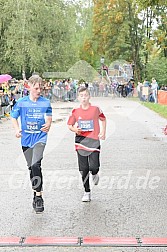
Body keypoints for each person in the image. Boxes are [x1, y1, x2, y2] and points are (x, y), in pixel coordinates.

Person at [11, 75, 52, 213]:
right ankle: (36, 192)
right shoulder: (22, 102)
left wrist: (48, 125)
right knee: (31, 168)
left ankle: (39, 196)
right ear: (29, 87)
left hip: (40, 138)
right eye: (36, 88)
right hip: (26, 139)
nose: (39, 90)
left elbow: (49, 117)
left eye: (41, 87)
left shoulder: (45, 102)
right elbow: (13, 117)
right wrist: (17, 129)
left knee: (36, 164)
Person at [67, 86, 106, 202]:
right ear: (78, 97)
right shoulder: (75, 111)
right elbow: (69, 125)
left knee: (94, 166)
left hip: (94, 140)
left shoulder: (95, 109)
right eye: (81, 96)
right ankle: (87, 192)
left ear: (89, 96)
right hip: (80, 142)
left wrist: (103, 131)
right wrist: (75, 130)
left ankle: (95, 173)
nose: (84, 98)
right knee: (83, 169)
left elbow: (103, 119)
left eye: (86, 95)